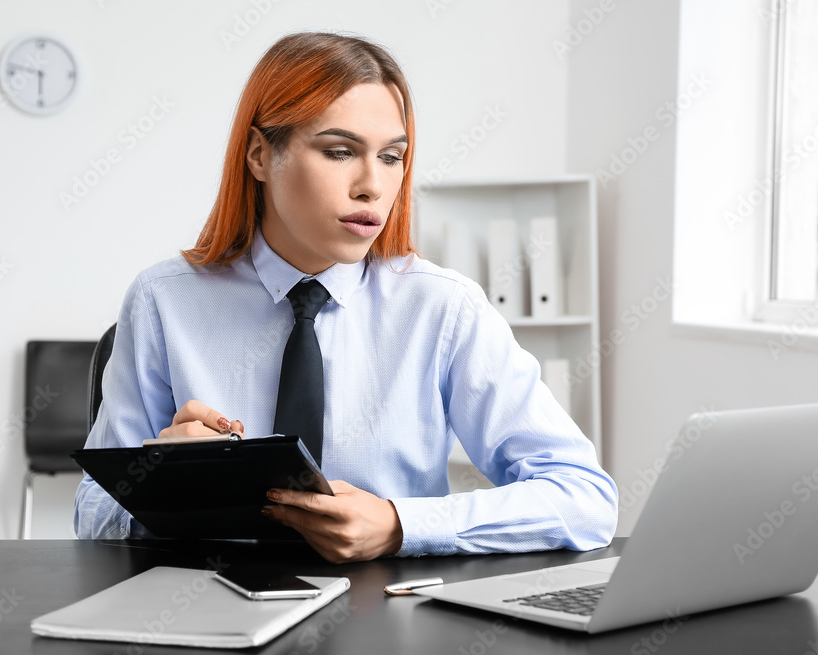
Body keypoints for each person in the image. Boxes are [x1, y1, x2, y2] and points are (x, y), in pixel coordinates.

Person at [74, 31, 617, 563]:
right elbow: (92, 516)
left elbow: (585, 498)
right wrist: (164, 487)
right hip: (207, 606)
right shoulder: (163, 301)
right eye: (339, 151)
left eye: (391, 157)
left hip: (387, 613)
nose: (372, 186)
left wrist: (402, 524)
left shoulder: (443, 309)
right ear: (261, 155)